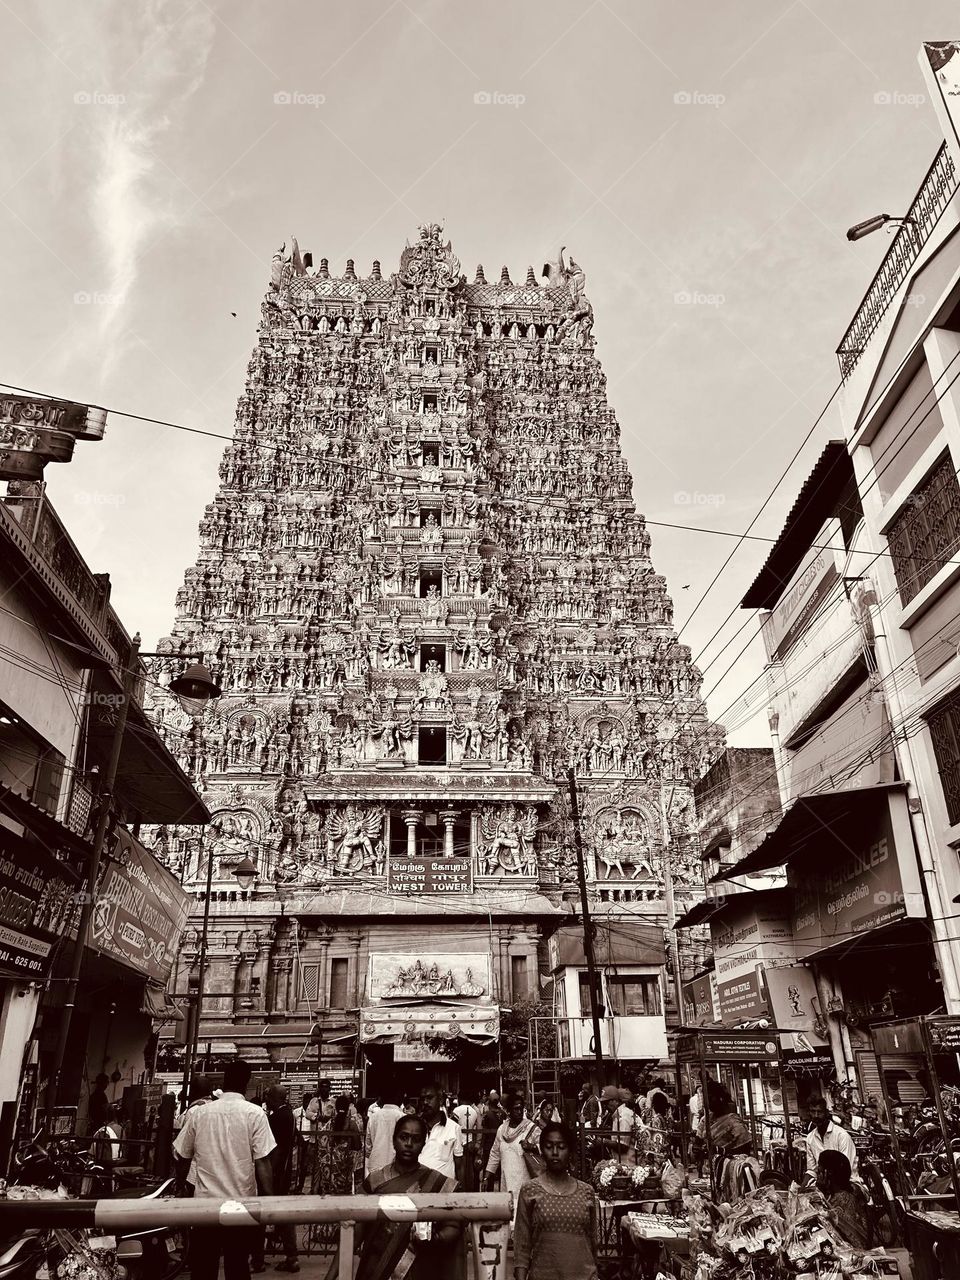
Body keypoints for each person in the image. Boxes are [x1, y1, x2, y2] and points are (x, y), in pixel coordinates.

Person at [173, 1059, 275, 1280]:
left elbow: (182, 1156)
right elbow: (263, 1163)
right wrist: (270, 1202)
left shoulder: (201, 1114)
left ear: (224, 1080)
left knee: (203, 1267)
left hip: (205, 1205)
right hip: (240, 1205)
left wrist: (179, 1188)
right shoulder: (255, 1114)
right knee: (237, 1266)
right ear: (247, 1083)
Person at [351, 1114, 460, 1280]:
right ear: (394, 1140)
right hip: (376, 1269)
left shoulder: (437, 1183)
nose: (409, 1144)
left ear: (423, 1144)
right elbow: (354, 1236)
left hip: (418, 1269)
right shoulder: (375, 1181)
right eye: (403, 1137)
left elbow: (454, 1225)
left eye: (416, 1139)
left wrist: (436, 1238)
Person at [514, 1121, 598, 1280]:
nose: (554, 1152)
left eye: (561, 1147)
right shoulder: (529, 1190)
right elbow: (522, 1246)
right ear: (542, 1150)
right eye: (549, 1146)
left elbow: (593, 1243)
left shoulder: (587, 1192)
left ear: (570, 1152)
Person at [252, 1086, 299, 1274]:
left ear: (276, 1098)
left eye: (269, 1096)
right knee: (283, 1216)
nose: (266, 1099)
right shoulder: (288, 1115)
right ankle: (290, 1255)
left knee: (261, 1216)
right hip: (280, 1174)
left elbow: (275, 1151)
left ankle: (258, 1259)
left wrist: (269, 1177)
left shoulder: (278, 1117)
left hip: (274, 1175)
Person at [483, 1092, 536, 1228]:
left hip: (525, 1180)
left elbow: (545, 1146)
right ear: (508, 1111)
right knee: (509, 1210)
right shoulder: (502, 1130)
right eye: (515, 1109)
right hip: (507, 1179)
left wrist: (532, 1146)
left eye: (521, 1108)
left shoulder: (530, 1128)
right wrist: (487, 1175)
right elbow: (495, 1153)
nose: (519, 1112)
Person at [817, 1150, 871, 1250]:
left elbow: (850, 1240)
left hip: (854, 1252)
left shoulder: (842, 1199)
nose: (817, 1175)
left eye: (820, 1171)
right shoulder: (849, 1188)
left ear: (828, 1173)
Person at [805, 1095, 858, 1179]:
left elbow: (845, 1169)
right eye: (812, 1112)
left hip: (848, 1183)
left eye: (819, 1112)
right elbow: (812, 1171)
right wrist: (802, 1189)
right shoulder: (810, 1138)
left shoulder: (842, 1136)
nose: (816, 1116)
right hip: (825, 1185)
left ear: (826, 1113)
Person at [420, 1082, 463, 1179]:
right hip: (417, 1188)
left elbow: (459, 1166)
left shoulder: (454, 1128)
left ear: (440, 1100)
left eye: (430, 1098)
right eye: (422, 1099)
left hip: (443, 1190)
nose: (425, 1102)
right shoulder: (415, 1127)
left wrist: (460, 1188)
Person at [365, 1089, 403, 1177]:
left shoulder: (373, 1117)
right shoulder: (403, 1118)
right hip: (397, 1169)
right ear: (398, 1098)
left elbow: (368, 1147)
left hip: (376, 1166)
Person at [480, 1090, 504, 1169]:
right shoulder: (503, 1113)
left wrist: (481, 1147)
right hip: (500, 1144)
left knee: (488, 1167)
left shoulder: (487, 1114)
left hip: (489, 1145)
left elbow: (484, 1132)